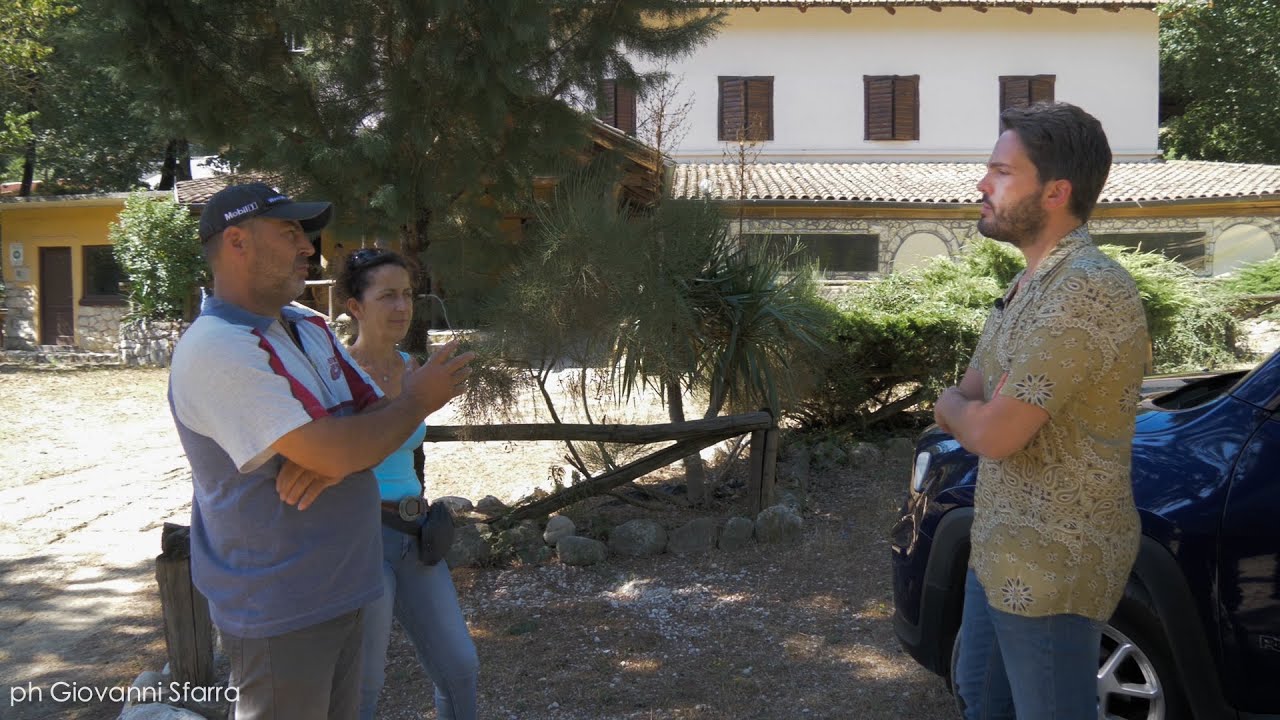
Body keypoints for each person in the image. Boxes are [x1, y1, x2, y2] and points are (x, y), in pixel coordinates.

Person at [168, 182, 474, 720]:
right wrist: (414, 402)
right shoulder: (216, 346)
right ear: (236, 241)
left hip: (343, 588)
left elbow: (362, 418)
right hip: (280, 610)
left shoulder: (306, 326)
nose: (309, 247)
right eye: (289, 233)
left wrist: (338, 455)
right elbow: (357, 433)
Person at [933, 103, 1150, 719]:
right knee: (982, 700)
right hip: (1000, 545)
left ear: (1056, 192)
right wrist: (962, 410)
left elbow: (992, 430)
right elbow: (971, 393)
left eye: (1002, 172)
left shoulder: (1087, 287)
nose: (982, 184)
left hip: (1056, 560)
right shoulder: (1030, 284)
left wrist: (955, 410)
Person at [336, 247, 479, 720]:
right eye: (387, 297)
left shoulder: (413, 368)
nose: (401, 307)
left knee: (460, 668)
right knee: (364, 686)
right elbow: (351, 449)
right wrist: (414, 404)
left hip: (415, 537)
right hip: (361, 538)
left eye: (408, 296)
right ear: (355, 307)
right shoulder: (335, 374)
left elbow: (409, 453)